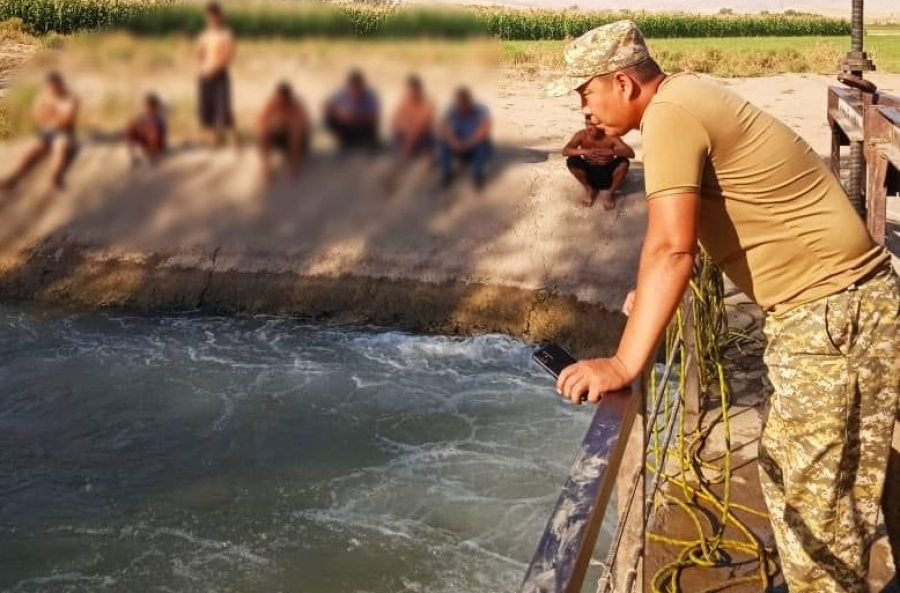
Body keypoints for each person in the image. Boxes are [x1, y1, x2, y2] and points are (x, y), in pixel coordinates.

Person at [546, 20, 898, 593]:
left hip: (833, 314)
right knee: (817, 481)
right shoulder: (685, 99)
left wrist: (622, 364)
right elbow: (716, 215)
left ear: (623, 83)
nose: (583, 109)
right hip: (841, 309)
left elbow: (671, 247)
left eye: (585, 92)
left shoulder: (670, 116)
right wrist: (653, 294)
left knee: (817, 508)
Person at [0, 71, 79, 192]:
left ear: (60, 85)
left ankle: (54, 177)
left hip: (64, 133)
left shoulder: (70, 98)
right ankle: (14, 178)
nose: (52, 90)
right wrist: (53, 116)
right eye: (50, 87)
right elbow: (37, 116)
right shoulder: (44, 96)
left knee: (60, 145)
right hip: (46, 131)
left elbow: (66, 120)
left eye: (54, 87)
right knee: (32, 150)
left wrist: (50, 116)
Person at [562, 115, 634, 209]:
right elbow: (565, 151)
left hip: (608, 175)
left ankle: (610, 193)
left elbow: (630, 153)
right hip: (590, 174)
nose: (588, 128)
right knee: (572, 160)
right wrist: (584, 151)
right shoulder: (581, 135)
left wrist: (611, 152)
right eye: (587, 124)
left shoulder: (611, 136)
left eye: (592, 125)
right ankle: (589, 189)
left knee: (624, 162)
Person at [196, 2, 237, 148]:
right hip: (205, 75)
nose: (212, 19)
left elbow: (229, 55)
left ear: (220, 17)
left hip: (220, 74)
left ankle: (234, 140)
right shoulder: (203, 36)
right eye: (210, 16)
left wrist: (216, 68)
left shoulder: (226, 34)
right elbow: (200, 55)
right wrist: (202, 69)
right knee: (208, 108)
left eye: (215, 16)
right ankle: (213, 140)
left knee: (224, 108)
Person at [438, 87, 492, 190]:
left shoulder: (481, 111)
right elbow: (443, 128)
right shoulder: (452, 111)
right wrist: (453, 141)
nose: (461, 106)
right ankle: (447, 173)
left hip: (474, 144)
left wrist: (467, 144)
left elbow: (484, 131)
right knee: (443, 144)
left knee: (482, 145)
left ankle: (478, 175)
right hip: (458, 143)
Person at [256, 81, 310, 183]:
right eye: (280, 98)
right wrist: (268, 126)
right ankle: (267, 167)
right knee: (263, 133)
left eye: (284, 99)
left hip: (297, 137)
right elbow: (261, 120)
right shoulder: (272, 103)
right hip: (279, 133)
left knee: (296, 132)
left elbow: (303, 124)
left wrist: (287, 123)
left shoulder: (297, 105)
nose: (282, 101)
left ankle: (294, 166)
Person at [324, 70, 380, 153]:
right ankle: (343, 140)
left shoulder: (370, 96)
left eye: (358, 87)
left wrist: (357, 117)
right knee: (329, 117)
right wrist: (340, 113)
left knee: (371, 125)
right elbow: (326, 106)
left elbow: (375, 116)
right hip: (347, 125)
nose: (356, 91)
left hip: (362, 125)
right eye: (354, 88)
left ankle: (365, 142)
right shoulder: (342, 94)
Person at [391, 74, 435, 159]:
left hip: (421, 136)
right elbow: (394, 119)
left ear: (419, 90)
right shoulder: (404, 101)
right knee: (397, 132)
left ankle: (411, 151)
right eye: (410, 92)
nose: (412, 95)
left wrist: (408, 142)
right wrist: (404, 126)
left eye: (414, 92)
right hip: (407, 132)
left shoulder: (428, 103)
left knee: (425, 136)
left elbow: (422, 125)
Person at [125, 92, 167, 166]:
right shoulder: (143, 116)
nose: (146, 108)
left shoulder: (158, 118)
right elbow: (137, 125)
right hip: (146, 140)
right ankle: (133, 156)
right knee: (131, 126)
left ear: (154, 107)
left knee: (152, 129)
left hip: (156, 144)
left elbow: (160, 135)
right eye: (146, 105)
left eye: (149, 106)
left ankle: (152, 155)